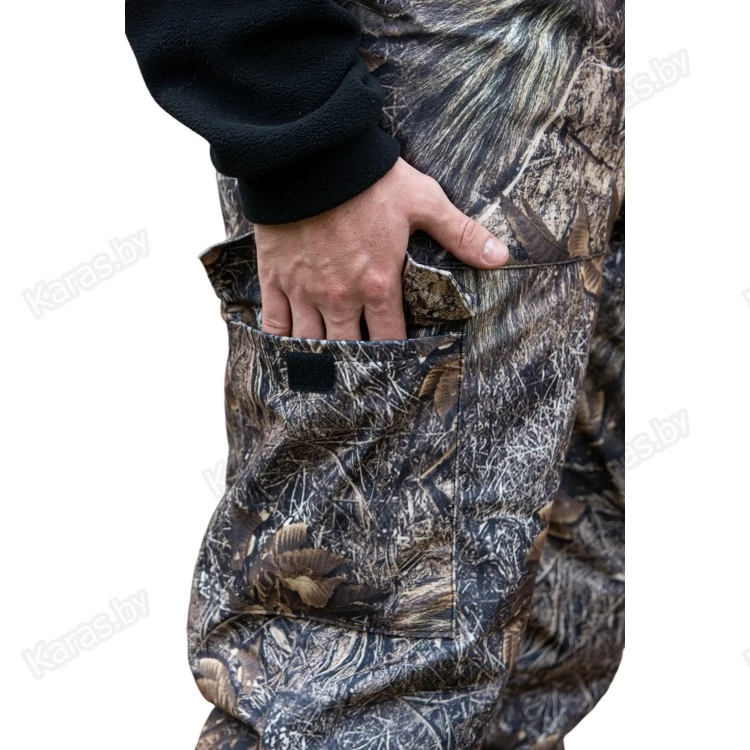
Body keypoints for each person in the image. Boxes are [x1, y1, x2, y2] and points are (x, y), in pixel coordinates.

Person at [125, 1, 625, 747]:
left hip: (580, 77)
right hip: (411, 90)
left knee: (548, 640)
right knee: (351, 677)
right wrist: (304, 140)